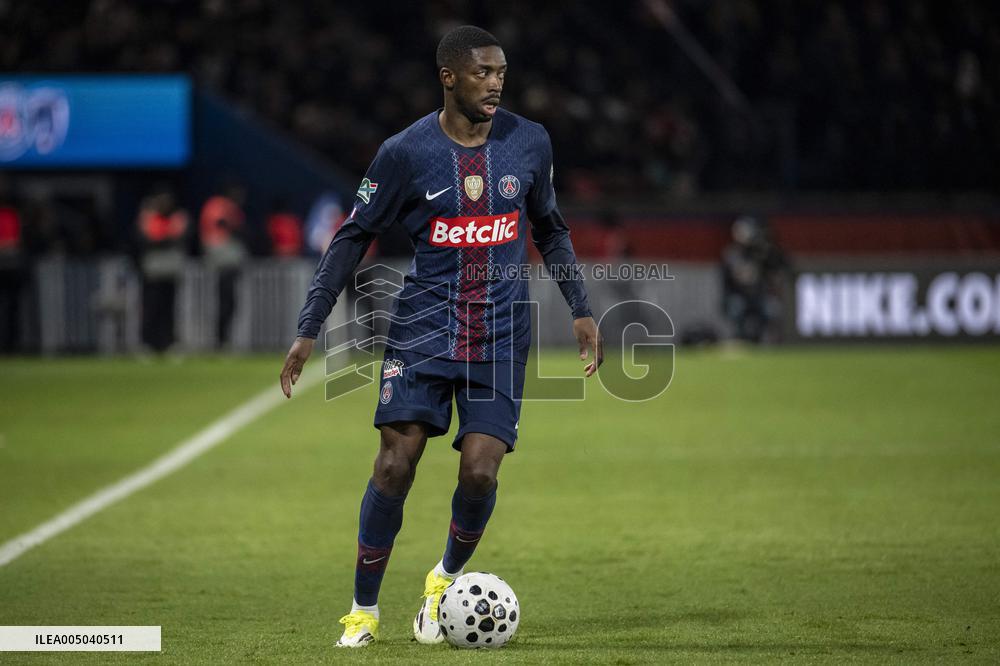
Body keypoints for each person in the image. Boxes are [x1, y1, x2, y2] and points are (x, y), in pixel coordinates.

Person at [278, 25, 603, 648]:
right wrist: (309, 325)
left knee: (481, 472)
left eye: (501, 72)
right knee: (396, 464)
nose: (496, 82)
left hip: (502, 333)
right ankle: (363, 610)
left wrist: (580, 308)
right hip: (423, 329)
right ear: (448, 77)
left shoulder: (529, 142)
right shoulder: (405, 153)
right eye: (482, 72)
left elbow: (551, 228)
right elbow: (351, 236)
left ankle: (444, 580)